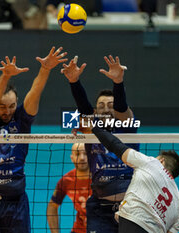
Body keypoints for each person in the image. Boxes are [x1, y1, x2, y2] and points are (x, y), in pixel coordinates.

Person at [0, 46, 68, 233]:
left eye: (12, 106)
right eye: (2, 107)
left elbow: (35, 92)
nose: (7, 111)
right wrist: (6, 76)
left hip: (16, 204)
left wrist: (45, 69)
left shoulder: (21, 121)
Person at [60, 55, 139, 233]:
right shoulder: (90, 128)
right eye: (101, 105)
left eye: (110, 104)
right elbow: (84, 108)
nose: (105, 108)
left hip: (131, 206)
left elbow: (121, 108)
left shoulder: (128, 126)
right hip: (99, 207)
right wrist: (74, 81)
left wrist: (118, 82)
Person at [91, 126, 179, 233]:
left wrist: (94, 128)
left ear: (162, 161)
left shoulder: (152, 163)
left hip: (134, 220)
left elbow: (116, 146)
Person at [47, 143, 92, 233]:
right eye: (78, 154)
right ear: (72, 158)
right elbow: (52, 206)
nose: (82, 158)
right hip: (78, 230)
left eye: (86, 153)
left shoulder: (100, 178)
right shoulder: (66, 181)